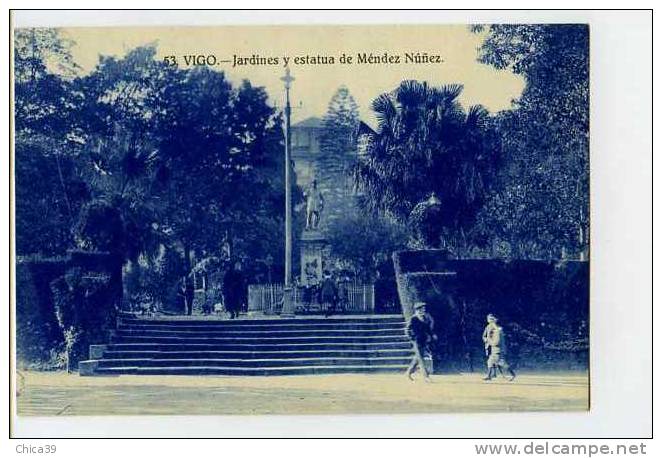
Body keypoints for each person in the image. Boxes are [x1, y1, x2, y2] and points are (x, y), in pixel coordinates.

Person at [405, 302, 436, 382]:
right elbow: (407, 330)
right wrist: (412, 338)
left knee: (417, 358)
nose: (423, 311)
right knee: (421, 359)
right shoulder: (413, 318)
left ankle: (408, 373)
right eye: (422, 309)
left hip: (423, 340)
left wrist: (432, 335)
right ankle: (426, 377)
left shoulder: (424, 318)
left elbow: (427, 329)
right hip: (416, 341)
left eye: (424, 309)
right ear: (417, 310)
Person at [482, 313, 516, 381]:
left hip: (498, 349)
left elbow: (497, 342)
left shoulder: (498, 330)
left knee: (501, 363)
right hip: (493, 348)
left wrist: (489, 341)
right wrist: (486, 340)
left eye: (491, 319)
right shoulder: (489, 327)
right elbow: (484, 336)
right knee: (490, 362)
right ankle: (490, 376)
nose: (489, 320)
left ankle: (512, 374)